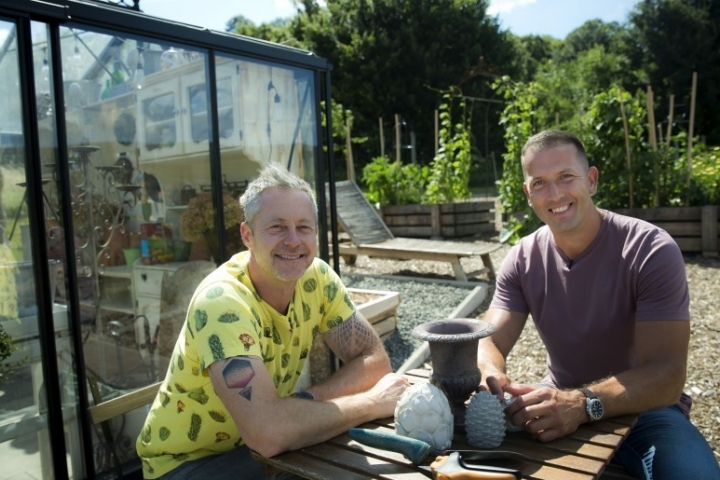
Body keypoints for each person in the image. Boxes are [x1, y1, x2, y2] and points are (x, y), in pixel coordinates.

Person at [137, 164, 409, 479]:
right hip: (186, 463)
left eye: (303, 227)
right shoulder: (223, 302)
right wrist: (372, 402)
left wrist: (302, 404)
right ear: (247, 235)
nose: (293, 241)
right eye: (277, 227)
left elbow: (374, 362)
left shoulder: (317, 278)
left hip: (256, 445)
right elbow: (268, 435)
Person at [476, 130, 720, 480]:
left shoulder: (650, 250)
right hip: (558, 397)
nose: (555, 194)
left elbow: (667, 375)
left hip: (644, 411)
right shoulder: (523, 257)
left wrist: (582, 403)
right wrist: (492, 376)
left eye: (566, 176)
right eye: (540, 183)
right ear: (528, 195)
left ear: (591, 181)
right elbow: (489, 339)